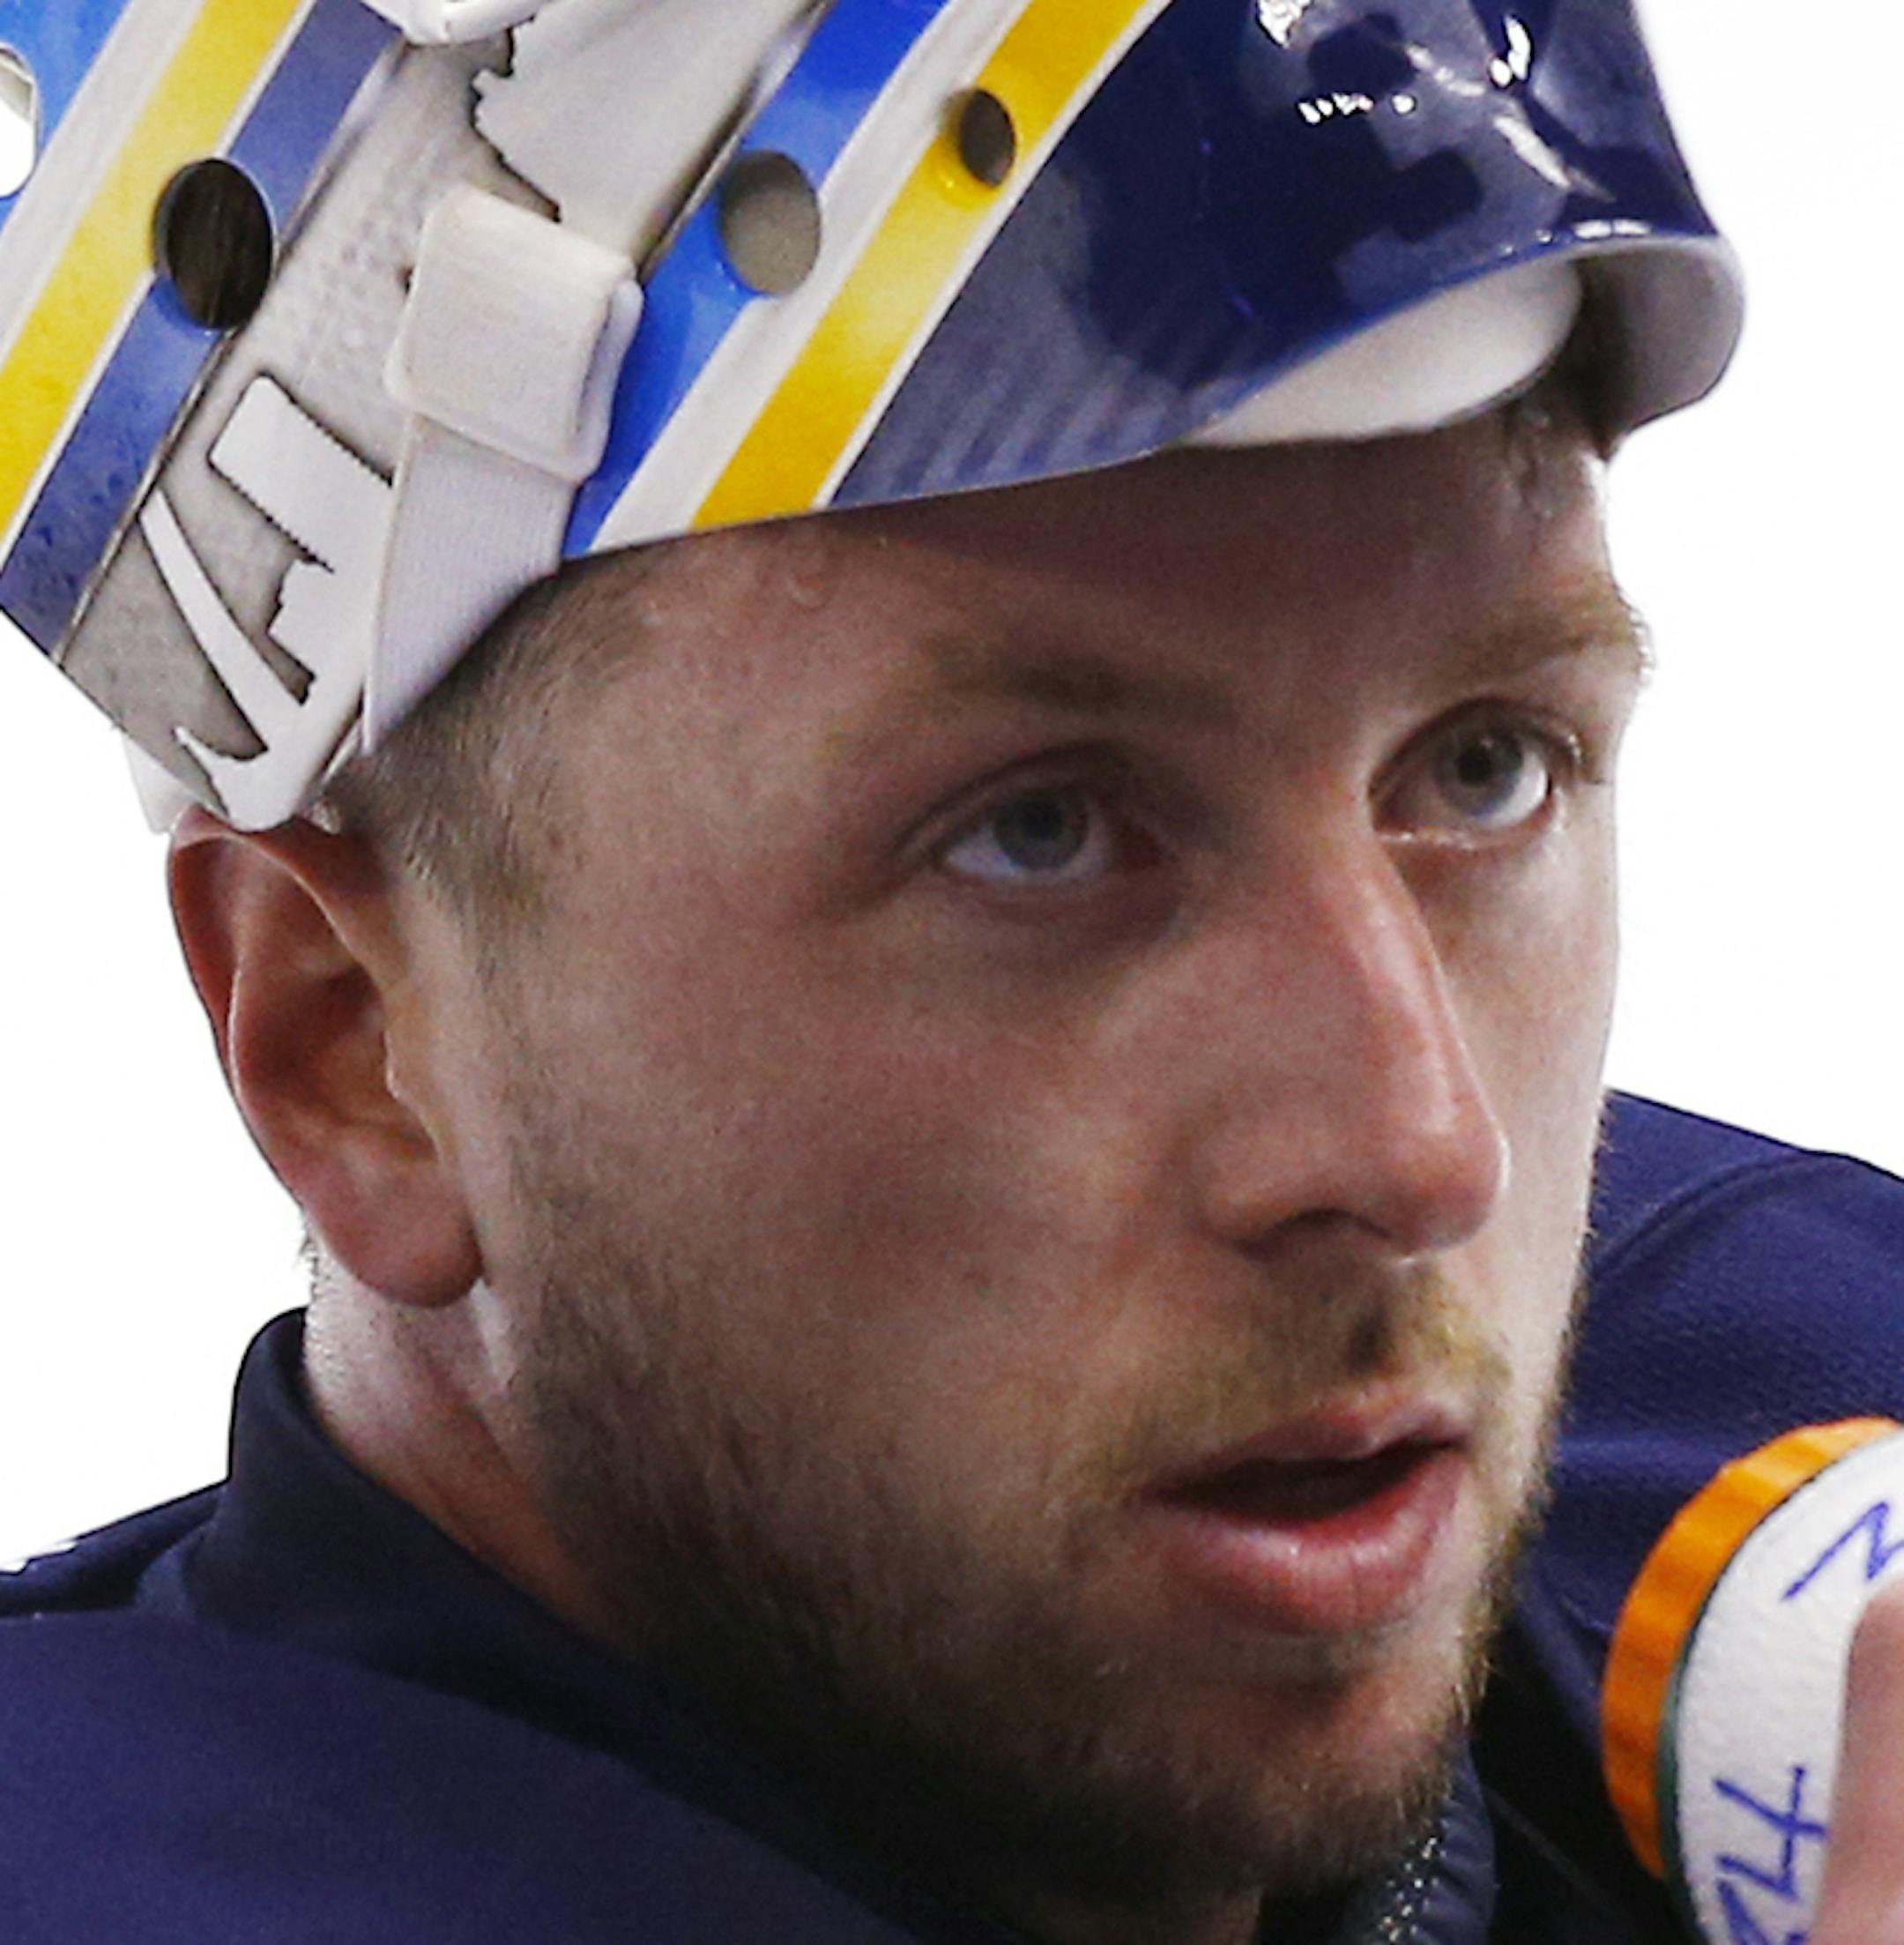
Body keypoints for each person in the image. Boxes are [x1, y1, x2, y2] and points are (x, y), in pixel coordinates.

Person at [3, 3, 1902, 1940]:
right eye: (1040, 832)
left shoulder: (1731, 1366)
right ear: (353, 1050)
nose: (1422, 1150)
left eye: (1484, 768)